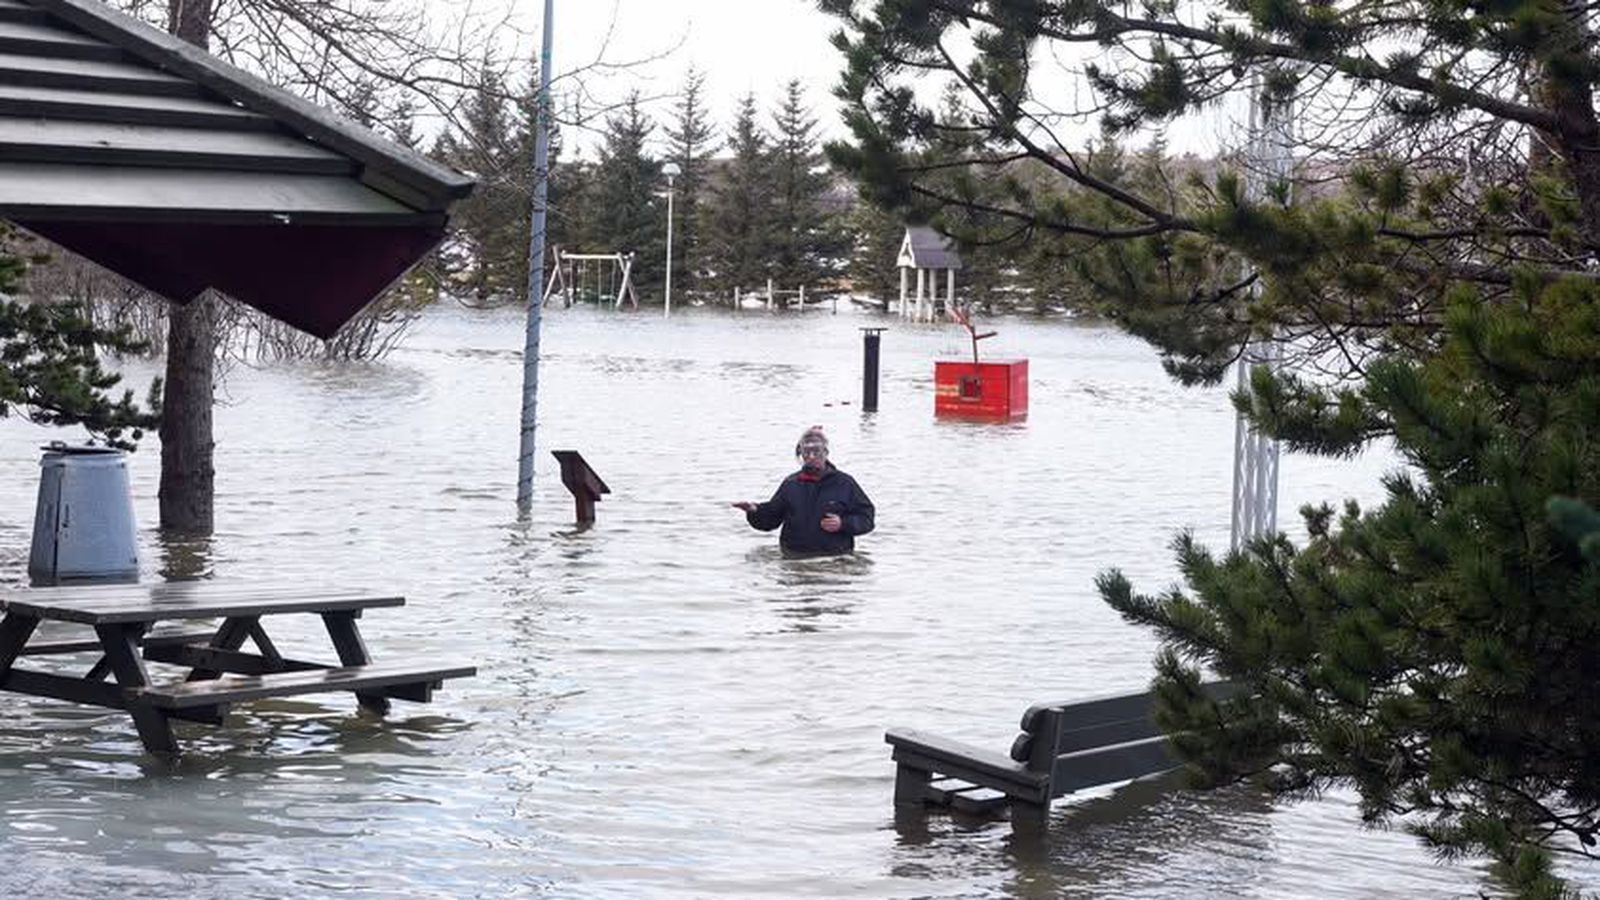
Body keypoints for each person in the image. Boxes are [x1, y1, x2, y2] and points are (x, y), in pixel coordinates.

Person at [733, 426, 875, 556]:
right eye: (807, 452)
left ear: (826, 452)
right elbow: (771, 518)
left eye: (816, 452)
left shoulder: (844, 483)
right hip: (794, 557)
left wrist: (843, 523)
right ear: (801, 454)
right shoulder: (791, 484)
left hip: (834, 560)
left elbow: (867, 518)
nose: (811, 457)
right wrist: (754, 510)